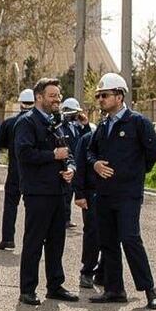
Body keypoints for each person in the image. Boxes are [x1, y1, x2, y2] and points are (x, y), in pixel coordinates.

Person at [88, 73, 156, 310]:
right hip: (105, 194)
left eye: (105, 95)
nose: (100, 99)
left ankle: (149, 289)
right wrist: (95, 164)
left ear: (119, 96)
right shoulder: (102, 126)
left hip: (128, 194)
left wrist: (137, 172)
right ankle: (114, 289)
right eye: (98, 95)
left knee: (130, 238)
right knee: (108, 241)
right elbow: (90, 152)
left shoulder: (137, 122)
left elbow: (154, 150)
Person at [14, 78, 78, 306]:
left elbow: (67, 152)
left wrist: (70, 167)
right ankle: (28, 289)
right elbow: (24, 154)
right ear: (39, 97)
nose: (57, 99)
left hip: (58, 191)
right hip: (38, 192)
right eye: (52, 95)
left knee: (56, 241)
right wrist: (53, 155)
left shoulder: (56, 122)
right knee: (34, 241)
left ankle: (55, 285)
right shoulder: (27, 123)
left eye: (59, 95)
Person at [0, 89, 35, 250]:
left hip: (15, 171)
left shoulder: (10, 123)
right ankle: (33, 241)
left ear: (20, 103)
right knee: (33, 208)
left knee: (11, 205)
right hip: (33, 173)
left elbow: (0, 144)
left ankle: (8, 239)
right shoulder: (39, 122)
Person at [72, 125, 103, 290]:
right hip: (92, 194)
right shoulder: (87, 139)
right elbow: (80, 166)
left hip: (114, 194)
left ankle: (103, 273)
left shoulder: (120, 140)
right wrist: (79, 194)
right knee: (93, 233)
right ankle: (87, 271)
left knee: (114, 235)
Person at [60, 97, 92, 229]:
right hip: (67, 164)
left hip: (79, 165)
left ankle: (68, 218)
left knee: (77, 191)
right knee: (66, 194)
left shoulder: (78, 127)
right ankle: (64, 219)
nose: (75, 116)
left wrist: (85, 125)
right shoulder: (61, 127)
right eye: (72, 113)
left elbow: (89, 139)